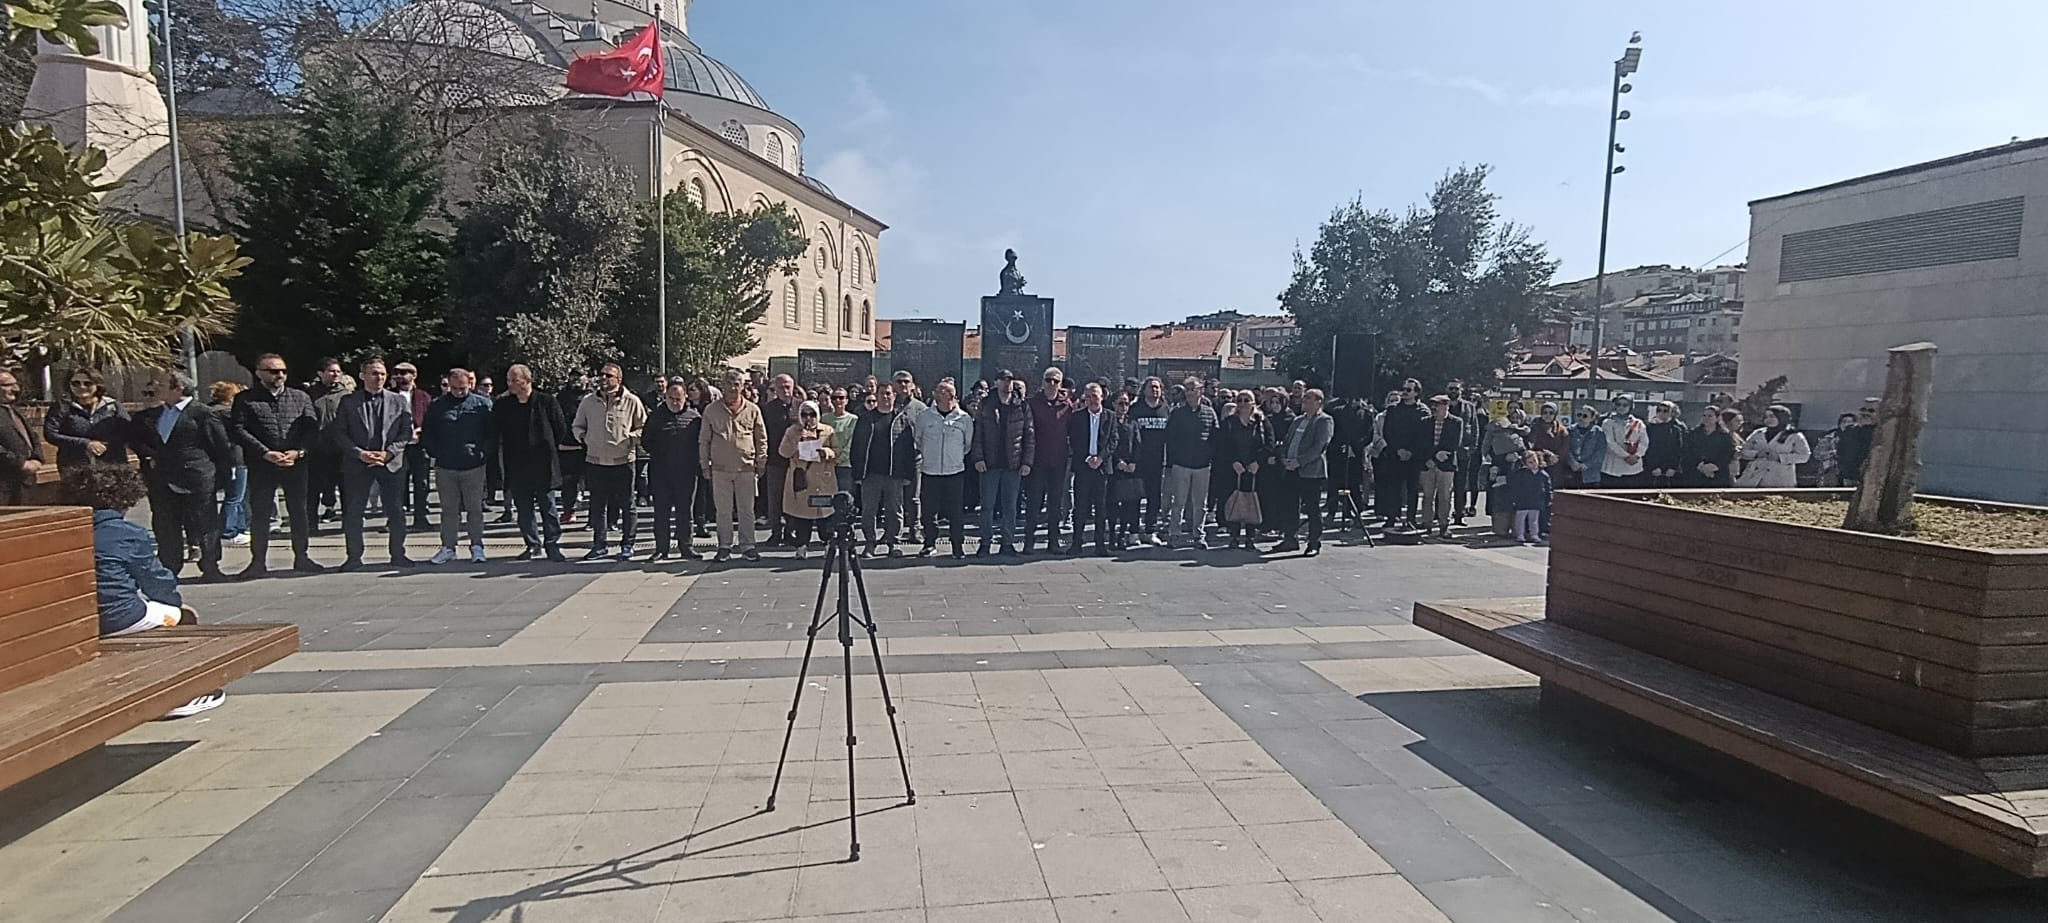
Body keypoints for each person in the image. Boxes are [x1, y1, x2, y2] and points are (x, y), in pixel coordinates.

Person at [73, 464, 223, 717]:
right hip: (118, 616)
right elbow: (156, 582)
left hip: (76, 620)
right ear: (125, 499)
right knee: (184, 617)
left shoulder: (67, 531)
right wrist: (175, 604)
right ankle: (178, 696)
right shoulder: (125, 533)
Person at [132, 370, 232, 581]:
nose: (157, 388)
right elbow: (139, 441)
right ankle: (169, 567)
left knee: (204, 522)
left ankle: (210, 565)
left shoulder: (202, 413)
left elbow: (220, 447)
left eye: (162, 384)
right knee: (165, 524)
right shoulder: (153, 415)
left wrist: (223, 478)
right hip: (162, 479)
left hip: (196, 477)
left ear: (178, 388)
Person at [230, 354, 323, 576]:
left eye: (283, 371)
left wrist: (299, 451)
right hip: (262, 464)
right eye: (273, 371)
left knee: (298, 512)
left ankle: (302, 557)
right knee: (260, 514)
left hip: (295, 463)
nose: (279, 375)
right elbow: (238, 429)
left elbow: (311, 429)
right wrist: (264, 452)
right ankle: (258, 562)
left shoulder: (300, 397)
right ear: (259, 373)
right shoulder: (246, 399)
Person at [330, 359, 414, 571]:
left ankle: (398, 554)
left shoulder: (399, 400)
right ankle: (354, 557)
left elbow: (406, 431)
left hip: (390, 463)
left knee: (395, 511)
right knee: (354, 511)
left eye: (383, 374)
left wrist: (389, 453)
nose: (379, 378)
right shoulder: (349, 401)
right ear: (362, 375)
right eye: (374, 373)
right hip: (358, 464)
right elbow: (339, 433)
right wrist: (360, 453)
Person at [495, 364, 570, 562]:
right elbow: (496, 431)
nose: (510, 384)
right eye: (508, 380)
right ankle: (532, 545)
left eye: (514, 380)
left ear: (527, 381)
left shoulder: (546, 401)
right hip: (517, 464)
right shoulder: (504, 405)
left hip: (543, 463)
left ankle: (552, 545)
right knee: (524, 508)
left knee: (548, 506)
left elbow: (560, 428)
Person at [421, 368, 495, 565]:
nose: (458, 392)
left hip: (473, 464)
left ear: (470, 384)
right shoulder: (437, 405)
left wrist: (483, 453)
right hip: (446, 465)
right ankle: (448, 547)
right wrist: (435, 452)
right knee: (448, 509)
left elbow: (492, 433)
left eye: (462, 388)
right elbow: (428, 432)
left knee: (474, 508)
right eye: (454, 388)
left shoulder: (482, 404)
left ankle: (477, 546)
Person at [574, 362, 647, 561]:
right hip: (595, 461)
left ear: (619, 379)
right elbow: (577, 425)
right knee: (597, 506)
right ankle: (599, 545)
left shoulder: (632, 401)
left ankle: (627, 544)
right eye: (601, 374)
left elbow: (643, 427)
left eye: (608, 375)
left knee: (627, 505)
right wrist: (584, 438)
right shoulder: (588, 401)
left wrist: (630, 438)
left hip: (623, 461)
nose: (603, 378)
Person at [701, 369, 768, 563]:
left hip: (746, 468)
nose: (732, 388)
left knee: (747, 510)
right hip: (720, 469)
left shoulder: (753, 409)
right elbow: (704, 440)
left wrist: (761, 461)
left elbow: (761, 438)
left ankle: (748, 546)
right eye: (729, 384)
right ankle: (724, 546)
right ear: (722, 386)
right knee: (723, 511)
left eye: (736, 384)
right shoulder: (711, 410)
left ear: (742, 386)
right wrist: (704, 465)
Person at [971, 372, 1034, 557]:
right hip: (989, 464)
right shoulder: (986, 404)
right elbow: (978, 433)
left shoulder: (1021, 405)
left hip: (1013, 464)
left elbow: (1029, 435)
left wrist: (1027, 462)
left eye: (1010, 381)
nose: (1007, 384)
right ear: (996, 382)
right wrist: (978, 458)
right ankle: (985, 543)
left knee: (1010, 507)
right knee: (987, 506)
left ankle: (1007, 543)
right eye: (1004, 380)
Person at [851, 385, 916, 556]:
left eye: (888, 393)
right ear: (876, 395)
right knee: (868, 512)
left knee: (894, 511)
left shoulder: (902, 419)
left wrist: (908, 474)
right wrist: (857, 473)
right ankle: (870, 544)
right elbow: (856, 447)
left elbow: (909, 449)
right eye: (882, 393)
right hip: (870, 474)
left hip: (894, 474)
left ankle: (893, 543)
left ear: (894, 396)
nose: (885, 397)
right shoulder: (866, 419)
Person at [912, 381, 973, 559]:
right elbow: (918, 440)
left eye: (943, 392)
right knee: (929, 511)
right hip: (930, 471)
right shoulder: (924, 417)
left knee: (956, 512)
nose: (938, 394)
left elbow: (967, 444)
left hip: (955, 472)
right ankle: (929, 543)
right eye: (938, 391)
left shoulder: (964, 418)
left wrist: (953, 457)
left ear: (952, 396)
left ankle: (957, 546)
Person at [644, 378, 703, 562]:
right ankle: (661, 549)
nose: (675, 403)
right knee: (661, 512)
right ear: (666, 397)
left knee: (685, 512)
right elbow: (646, 441)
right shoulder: (656, 416)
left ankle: (686, 547)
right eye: (671, 398)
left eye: (678, 399)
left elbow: (701, 443)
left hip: (686, 473)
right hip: (661, 473)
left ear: (685, 397)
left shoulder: (695, 418)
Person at [1273, 389, 1335, 556]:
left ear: (1318, 402)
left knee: (1312, 508)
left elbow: (1319, 446)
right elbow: (1287, 441)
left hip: (1311, 472)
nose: (1304, 400)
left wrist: (1299, 461)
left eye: (1308, 398)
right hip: (1291, 469)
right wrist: (1284, 458)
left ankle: (1314, 542)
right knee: (1289, 505)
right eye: (1304, 397)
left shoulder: (1324, 420)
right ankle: (1290, 539)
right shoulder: (1297, 420)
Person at [1161, 377, 1219, 549]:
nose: (1190, 393)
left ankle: (1198, 535)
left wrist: (1209, 455)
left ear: (1201, 390)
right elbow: (1170, 437)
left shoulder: (1209, 412)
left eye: (1193, 389)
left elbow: (1215, 437)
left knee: (1200, 503)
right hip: (1182, 464)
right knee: (1178, 502)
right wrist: (1176, 457)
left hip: (1203, 465)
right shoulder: (1177, 413)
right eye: (1187, 389)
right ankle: (1174, 534)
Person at [1021, 366, 1073, 555]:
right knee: (1034, 503)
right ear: (1042, 382)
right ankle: (1029, 542)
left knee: (1055, 504)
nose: (1051, 384)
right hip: (1037, 461)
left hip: (1059, 461)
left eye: (1055, 381)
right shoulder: (1032, 403)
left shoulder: (1067, 405)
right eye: (1048, 380)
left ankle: (1053, 541)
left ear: (1060, 384)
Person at [1066, 382, 1121, 556]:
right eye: (1088, 397)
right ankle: (1076, 543)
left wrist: (1101, 458)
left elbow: (1113, 440)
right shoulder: (1077, 417)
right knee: (1080, 506)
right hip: (1083, 466)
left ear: (1102, 397)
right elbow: (1074, 440)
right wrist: (1087, 458)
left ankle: (1100, 544)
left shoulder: (1110, 416)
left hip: (1102, 468)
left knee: (1101, 507)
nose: (1091, 400)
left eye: (1095, 396)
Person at [779, 400, 839, 558]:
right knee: (802, 516)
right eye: (804, 414)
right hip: (803, 480)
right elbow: (783, 452)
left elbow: (837, 452)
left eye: (812, 414)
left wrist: (827, 452)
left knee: (825, 516)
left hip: (822, 480)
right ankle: (801, 546)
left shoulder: (828, 430)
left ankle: (828, 545)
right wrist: (798, 441)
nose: (808, 418)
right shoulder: (792, 431)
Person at [1215, 389, 1270, 550]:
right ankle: (1234, 536)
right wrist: (1233, 462)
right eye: (1240, 400)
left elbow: (1269, 444)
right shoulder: (1229, 422)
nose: (1243, 403)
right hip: (1234, 469)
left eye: (1247, 400)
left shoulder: (1262, 422)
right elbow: (1222, 445)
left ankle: (1250, 537)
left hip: (1254, 469)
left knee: (1252, 501)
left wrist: (1258, 462)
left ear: (1254, 403)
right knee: (1234, 500)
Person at [46, 367, 128, 471]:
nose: (82, 387)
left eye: (87, 383)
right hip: (74, 466)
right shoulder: (61, 407)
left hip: (112, 463)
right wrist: (85, 443)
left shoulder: (113, 406)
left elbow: (127, 431)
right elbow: (51, 434)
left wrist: (106, 445)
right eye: (76, 383)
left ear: (97, 385)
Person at [1377, 380, 1429, 528]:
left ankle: (1411, 520)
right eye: (1403, 389)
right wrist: (1398, 450)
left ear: (1416, 393)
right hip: (1395, 455)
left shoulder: (1423, 411)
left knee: (1412, 490)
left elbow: (1424, 435)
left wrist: (1411, 451)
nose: (1404, 392)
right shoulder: (1393, 410)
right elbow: (1388, 432)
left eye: (1408, 390)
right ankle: (1392, 517)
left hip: (1414, 457)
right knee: (1393, 488)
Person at [389, 361, 434, 532]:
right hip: (397, 447)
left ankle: (420, 518)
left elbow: (430, 419)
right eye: (396, 373)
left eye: (403, 373)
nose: (399, 376)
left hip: (419, 446)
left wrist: (421, 430)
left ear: (413, 375)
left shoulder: (423, 396)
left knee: (421, 483)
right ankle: (396, 520)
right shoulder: (389, 395)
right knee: (397, 484)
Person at [1127, 376, 1171, 545]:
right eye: (1151, 387)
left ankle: (1150, 530)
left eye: (1157, 387)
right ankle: (1133, 531)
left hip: (1157, 462)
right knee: (1135, 496)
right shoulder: (1135, 409)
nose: (1154, 390)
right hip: (1138, 461)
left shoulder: (1166, 409)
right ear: (1143, 390)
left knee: (1154, 497)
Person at [307, 359, 352, 525]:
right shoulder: (310, 393)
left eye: (338, 371)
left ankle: (349, 524)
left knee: (345, 488)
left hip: (341, 449)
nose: (335, 374)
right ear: (321, 373)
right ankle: (311, 524)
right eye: (331, 371)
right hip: (317, 448)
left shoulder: (346, 395)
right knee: (313, 488)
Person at [208, 381, 250, 549]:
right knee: (234, 496)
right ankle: (228, 531)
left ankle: (239, 528)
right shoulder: (226, 413)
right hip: (234, 458)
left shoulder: (211, 411)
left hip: (226, 459)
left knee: (237, 496)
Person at [1417, 395, 1464, 540]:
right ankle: (1427, 523)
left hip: (1446, 464)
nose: (1434, 409)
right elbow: (1421, 442)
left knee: (1445, 496)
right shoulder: (1424, 422)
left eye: (1437, 406)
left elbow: (1454, 443)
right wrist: (1432, 457)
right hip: (1428, 464)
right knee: (1427, 496)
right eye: (1433, 405)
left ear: (1446, 407)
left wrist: (1439, 457)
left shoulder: (1456, 422)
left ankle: (1444, 525)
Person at [1736, 405, 1811, 488]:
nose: (1768, 419)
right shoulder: (1758, 433)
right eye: (1766, 417)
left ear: (1781, 417)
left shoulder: (1794, 435)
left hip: (1779, 477)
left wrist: (1780, 457)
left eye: (1772, 416)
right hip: (1754, 476)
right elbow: (1743, 451)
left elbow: (1804, 456)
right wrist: (1757, 454)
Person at [1105, 391, 1144, 549]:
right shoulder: (1108, 421)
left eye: (1126, 403)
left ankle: (1122, 535)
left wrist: (1133, 462)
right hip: (1113, 468)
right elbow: (1107, 443)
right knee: (1112, 504)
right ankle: (1112, 535)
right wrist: (1117, 462)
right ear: (1113, 404)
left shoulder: (1132, 422)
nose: (1124, 407)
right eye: (1120, 403)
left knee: (1128, 504)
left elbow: (1138, 444)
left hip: (1129, 469)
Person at [1482, 406, 1529, 537]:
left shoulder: (1525, 432)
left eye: (1518, 418)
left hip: (1519, 470)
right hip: (1500, 468)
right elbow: (1487, 449)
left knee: (1517, 499)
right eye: (1512, 417)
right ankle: (1500, 527)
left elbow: (1529, 451)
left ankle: (1516, 527)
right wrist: (1503, 458)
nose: (1515, 420)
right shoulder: (1497, 430)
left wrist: (1519, 457)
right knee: (1500, 497)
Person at [1, 368, 46, 505]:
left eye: (15, 384)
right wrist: (21, 463)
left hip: (24, 482)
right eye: (7, 385)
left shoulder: (14, 410)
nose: (16, 389)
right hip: (4, 483)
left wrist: (37, 458)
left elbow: (33, 436)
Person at [1258, 389, 1297, 542]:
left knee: (1283, 496)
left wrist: (1280, 456)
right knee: (1268, 495)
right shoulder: (1268, 419)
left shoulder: (1291, 419)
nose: (1274, 406)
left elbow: (1289, 440)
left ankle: (1282, 526)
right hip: (1270, 463)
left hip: (1284, 462)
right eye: (1272, 402)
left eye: (1277, 402)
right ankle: (1268, 523)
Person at [1444, 379, 1483, 524]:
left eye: (1456, 388)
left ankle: (1459, 514)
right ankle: (1440, 514)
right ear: (1447, 390)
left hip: (1463, 451)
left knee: (1461, 485)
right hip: (1445, 450)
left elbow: (1475, 427)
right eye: (1451, 388)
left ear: (1461, 390)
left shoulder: (1469, 407)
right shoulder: (1442, 405)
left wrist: (1473, 446)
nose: (1454, 391)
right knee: (1443, 485)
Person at [555, 373, 590, 525]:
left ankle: (594, 517)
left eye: (580, 378)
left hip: (589, 445)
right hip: (567, 445)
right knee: (568, 482)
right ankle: (569, 511)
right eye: (574, 378)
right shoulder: (562, 397)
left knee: (593, 482)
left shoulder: (592, 397)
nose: (577, 382)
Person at [820, 387, 860, 499]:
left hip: (845, 466)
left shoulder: (854, 419)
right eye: (834, 398)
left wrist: (838, 459)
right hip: (827, 465)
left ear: (846, 400)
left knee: (844, 498)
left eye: (841, 398)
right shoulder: (824, 418)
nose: (838, 400)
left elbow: (851, 443)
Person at [1506, 449, 1553, 545]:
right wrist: (1514, 498)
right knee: (1520, 519)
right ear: (1525, 464)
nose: (1533, 464)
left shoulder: (1543, 475)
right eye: (1530, 462)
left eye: (1535, 461)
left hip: (1536, 500)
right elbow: (1515, 487)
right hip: (1523, 500)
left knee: (1534, 519)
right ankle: (1520, 535)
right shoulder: (1521, 474)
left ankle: (1534, 534)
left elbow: (1548, 488)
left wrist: (1548, 499)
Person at [1598, 395, 1647, 488]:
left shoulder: (1639, 423)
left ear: (1630, 406)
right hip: (1612, 467)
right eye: (1618, 404)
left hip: (1633, 467)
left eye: (1625, 405)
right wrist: (1626, 456)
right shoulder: (1608, 422)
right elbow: (1610, 442)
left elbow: (1644, 442)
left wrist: (1637, 455)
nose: (1621, 407)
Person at [1688, 409, 1740, 488]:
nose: (1706, 418)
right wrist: (1700, 465)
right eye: (1704, 415)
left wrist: (1715, 466)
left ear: (1717, 418)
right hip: (1697, 473)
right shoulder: (1694, 433)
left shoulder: (1725, 436)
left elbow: (1728, 453)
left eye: (1710, 416)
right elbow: (1688, 451)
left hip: (1718, 474)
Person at [1643, 401, 1688, 488]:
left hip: (1670, 470)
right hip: (1652, 469)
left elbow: (1679, 450)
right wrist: (1652, 467)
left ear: (1672, 413)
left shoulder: (1676, 429)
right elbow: (1647, 448)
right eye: (1659, 410)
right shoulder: (1649, 427)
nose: (1661, 413)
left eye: (1665, 411)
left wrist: (1672, 467)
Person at [1837, 398, 1879, 487]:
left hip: (1875, 479)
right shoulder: (1850, 431)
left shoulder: (1884, 434)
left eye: (1871, 411)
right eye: (1863, 410)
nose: (1865, 413)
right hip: (1850, 478)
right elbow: (1841, 453)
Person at [1567, 407, 1605, 489]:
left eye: (1585, 416)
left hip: (1590, 475)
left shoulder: (1598, 432)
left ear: (1592, 418)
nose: (1581, 418)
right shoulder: (1570, 430)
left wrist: (1586, 465)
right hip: (1572, 471)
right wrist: (1572, 462)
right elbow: (1565, 448)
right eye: (1579, 415)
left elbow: (1600, 452)